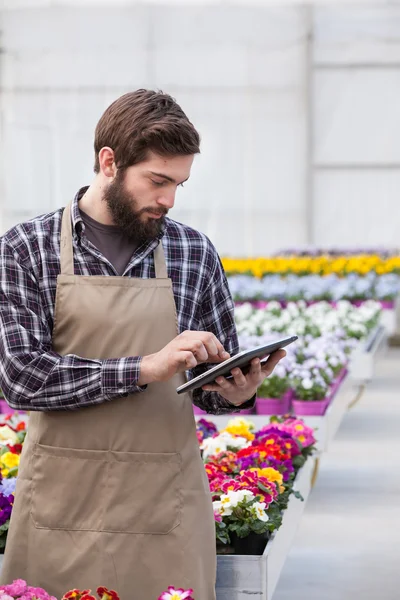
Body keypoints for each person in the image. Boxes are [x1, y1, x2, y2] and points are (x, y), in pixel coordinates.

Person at [0, 90, 285, 599]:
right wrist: (142, 368)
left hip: (164, 508)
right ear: (109, 162)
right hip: (60, 510)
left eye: (179, 184)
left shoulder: (192, 252)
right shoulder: (26, 248)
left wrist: (237, 391)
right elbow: (21, 378)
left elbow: (208, 390)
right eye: (158, 180)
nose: (169, 199)